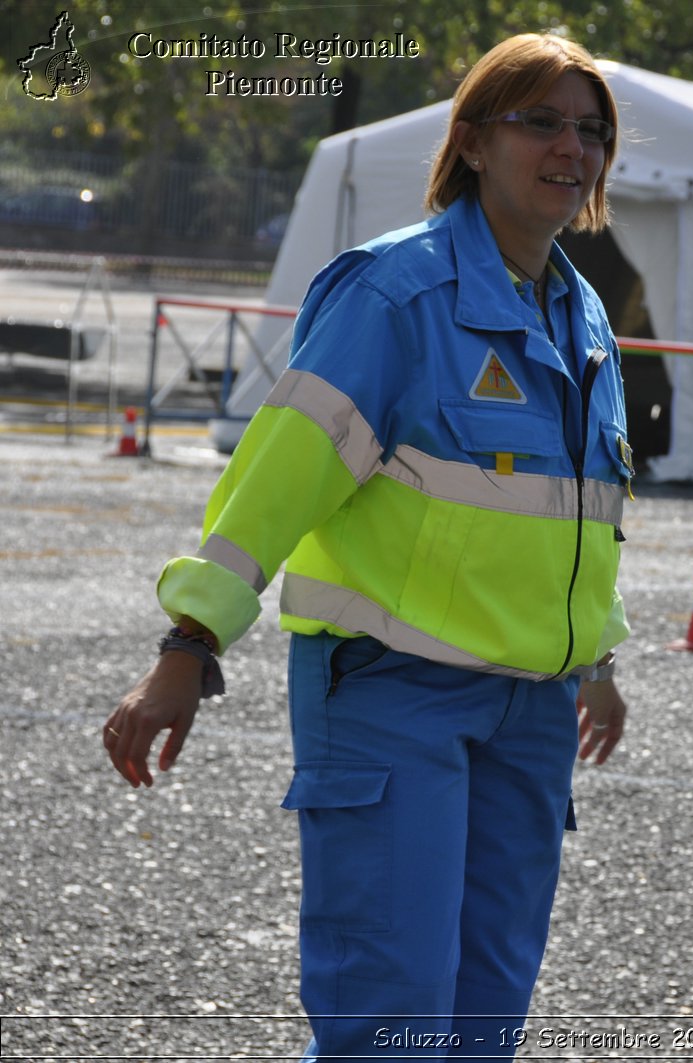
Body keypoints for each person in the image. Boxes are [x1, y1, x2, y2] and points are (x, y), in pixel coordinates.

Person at [101, 33, 634, 1060]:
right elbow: (277, 477)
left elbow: (579, 514)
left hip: (530, 708)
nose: (572, 148)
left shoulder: (584, 317)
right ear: (473, 142)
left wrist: (596, 657)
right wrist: (188, 642)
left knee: (486, 1015)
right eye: (542, 123)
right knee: (388, 1015)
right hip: (394, 695)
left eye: (590, 129)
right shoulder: (393, 295)